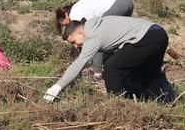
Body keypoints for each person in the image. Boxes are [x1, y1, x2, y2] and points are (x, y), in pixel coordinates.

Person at [44, 16, 175, 103]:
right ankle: (165, 101)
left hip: (146, 37)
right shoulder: (98, 23)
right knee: (146, 75)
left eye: (74, 41)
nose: (75, 45)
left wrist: (57, 86)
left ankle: (117, 107)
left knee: (112, 68)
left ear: (80, 33)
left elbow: (79, 64)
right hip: (158, 33)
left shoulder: (91, 34)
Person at [54, 0, 134, 79]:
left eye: (65, 24)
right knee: (118, 37)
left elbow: (92, 37)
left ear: (66, 15)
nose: (67, 26)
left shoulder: (74, 15)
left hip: (117, 4)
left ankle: (97, 73)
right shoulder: (79, 6)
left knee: (98, 37)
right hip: (126, 1)